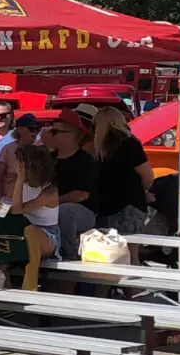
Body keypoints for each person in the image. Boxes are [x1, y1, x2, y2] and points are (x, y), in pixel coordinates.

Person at [0, 144, 59, 289]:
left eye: (19, 165)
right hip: (20, 232)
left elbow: (18, 209)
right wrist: (1, 207)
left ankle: (27, 283)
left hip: (45, 235)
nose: (15, 168)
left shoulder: (50, 191)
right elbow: (6, 206)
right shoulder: (18, 184)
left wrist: (19, 179)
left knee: (28, 230)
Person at [93, 106, 155, 263]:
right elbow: (148, 176)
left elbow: (148, 176)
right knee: (128, 255)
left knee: (113, 255)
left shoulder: (99, 147)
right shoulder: (129, 143)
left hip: (112, 206)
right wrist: (142, 190)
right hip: (128, 203)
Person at [44, 110, 98, 260]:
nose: (49, 135)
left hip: (82, 213)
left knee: (65, 211)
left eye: (54, 132)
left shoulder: (85, 161)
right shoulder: (48, 158)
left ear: (70, 135)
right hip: (51, 208)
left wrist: (51, 202)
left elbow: (81, 194)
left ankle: (68, 255)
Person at [0, 114, 41, 201]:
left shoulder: (41, 150)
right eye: (31, 129)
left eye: (37, 129)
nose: (35, 133)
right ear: (20, 130)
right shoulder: (7, 149)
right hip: (9, 198)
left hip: (33, 200)